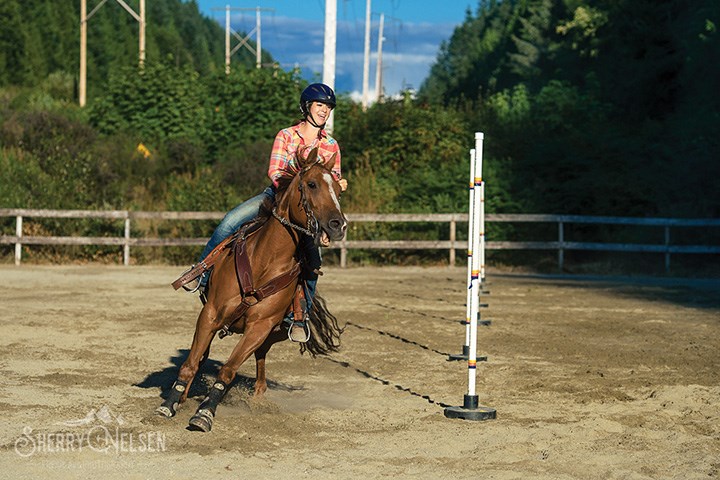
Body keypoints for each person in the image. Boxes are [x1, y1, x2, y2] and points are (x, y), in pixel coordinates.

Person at [186, 83, 347, 342]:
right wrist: (290, 191)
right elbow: (275, 171)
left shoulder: (331, 145)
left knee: (314, 262)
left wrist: (337, 187)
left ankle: (299, 316)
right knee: (230, 221)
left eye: (327, 107)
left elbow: (332, 180)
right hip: (276, 198)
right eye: (319, 105)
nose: (324, 111)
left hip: (309, 211)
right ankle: (200, 272)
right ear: (307, 107)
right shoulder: (286, 135)